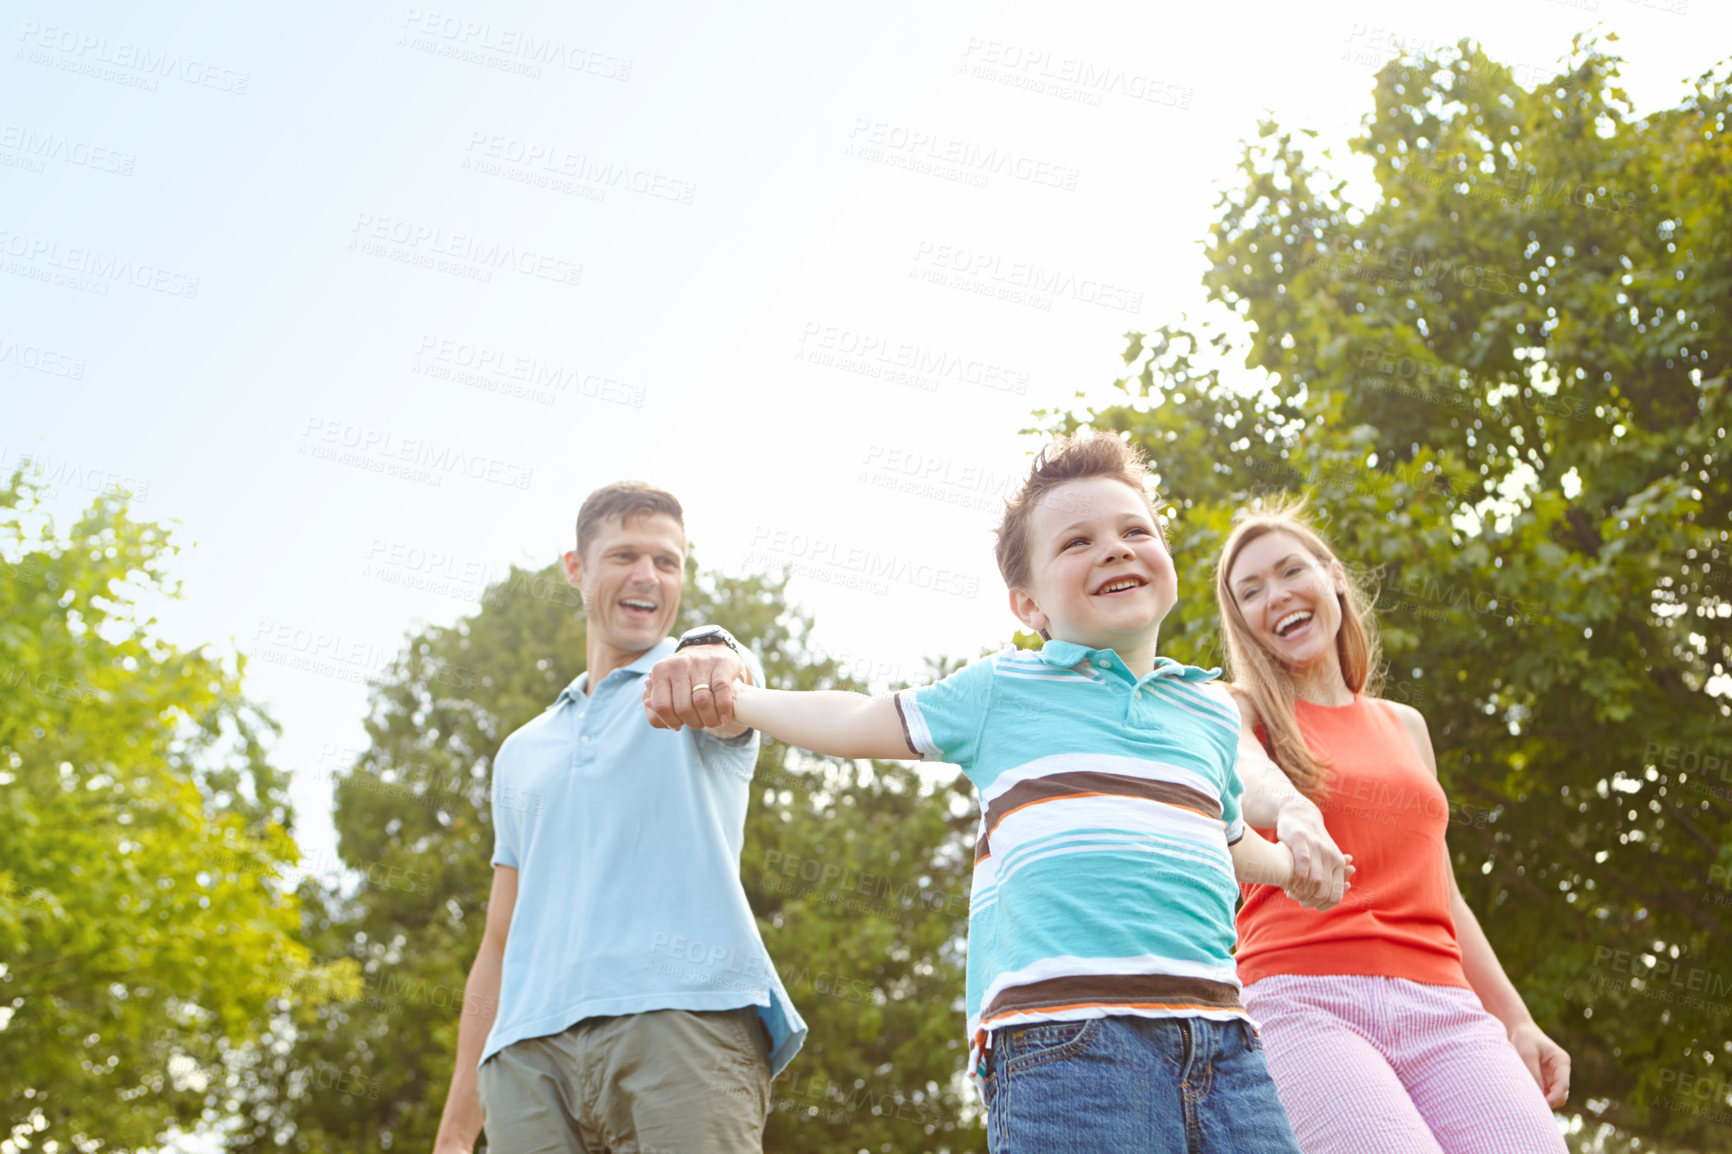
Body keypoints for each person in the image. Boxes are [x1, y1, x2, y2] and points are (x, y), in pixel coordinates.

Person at [645, 432, 1350, 1154]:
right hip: (1070, 1042)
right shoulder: (1003, 691)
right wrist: (740, 702)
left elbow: (1224, 840)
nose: (1114, 548)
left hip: (1225, 1044)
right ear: (1028, 604)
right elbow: (858, 717)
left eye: (1136, 531)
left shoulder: (1204, 708)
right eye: (1077, 542)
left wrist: (1297, 868)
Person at [431, 481, 807, 1154]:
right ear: (576, 570)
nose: (648, 577)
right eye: (625, 555)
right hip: (524, 1058)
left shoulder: (691, 683)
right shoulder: (522, 751)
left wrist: (716, 650)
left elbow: (727, 673)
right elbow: (497, 941)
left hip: (680, 1021)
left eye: (668, 562)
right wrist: (458, 1130)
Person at [1217, 500, 1571, 1154]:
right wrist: (1293, 811)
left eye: (1291, 570)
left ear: (1334, 578)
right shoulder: (1239, 710)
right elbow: (1240, 766)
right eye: (1251, 591)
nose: (1277, 596)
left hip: (1445, 1007)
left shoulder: (1406, 726)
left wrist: (1517, 1020)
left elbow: (1446, 894)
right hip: (1302, 999)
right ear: (1243, 623)